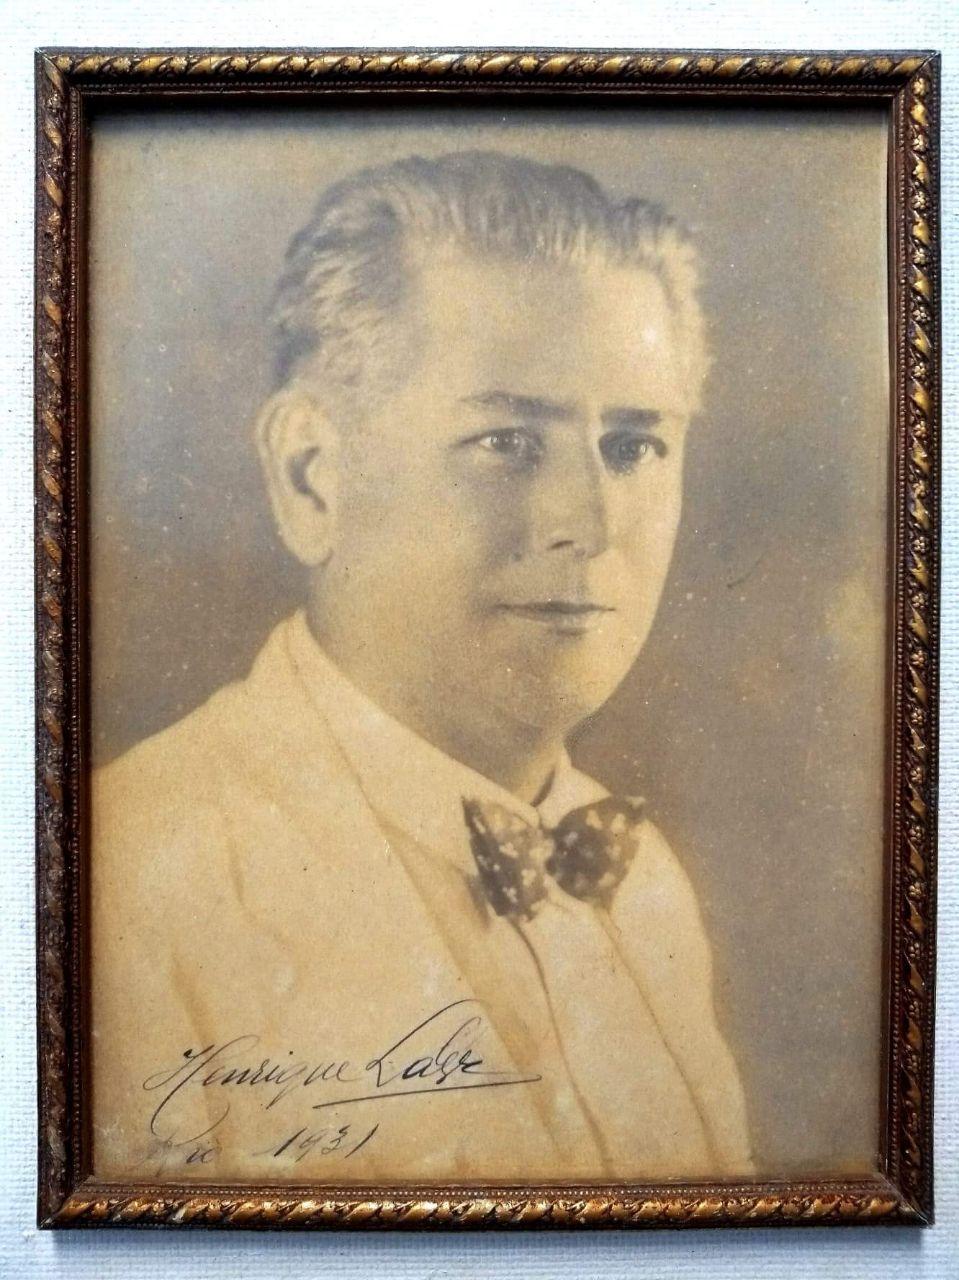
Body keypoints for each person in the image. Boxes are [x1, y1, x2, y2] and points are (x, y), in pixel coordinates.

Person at [91, 150, 753, 1183]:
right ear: (311, 477)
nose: (588, 524)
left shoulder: (644, 885)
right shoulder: (126, 884)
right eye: (505, 441)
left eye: (632, 447)